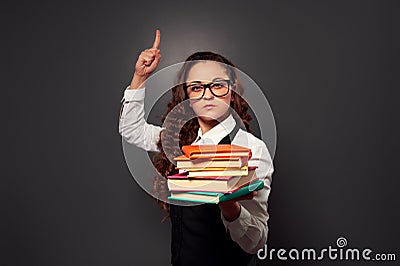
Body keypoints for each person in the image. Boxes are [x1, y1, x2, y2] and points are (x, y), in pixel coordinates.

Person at [119, 29, 274, 266]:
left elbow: (256, 242)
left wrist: (230, 207)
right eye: (197, 87)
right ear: (187, 96)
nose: (208, 95)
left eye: (218, 85)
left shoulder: (252, 149)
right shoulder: (178, 141)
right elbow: (131, 129)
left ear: (232, 91)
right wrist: (140, 77)